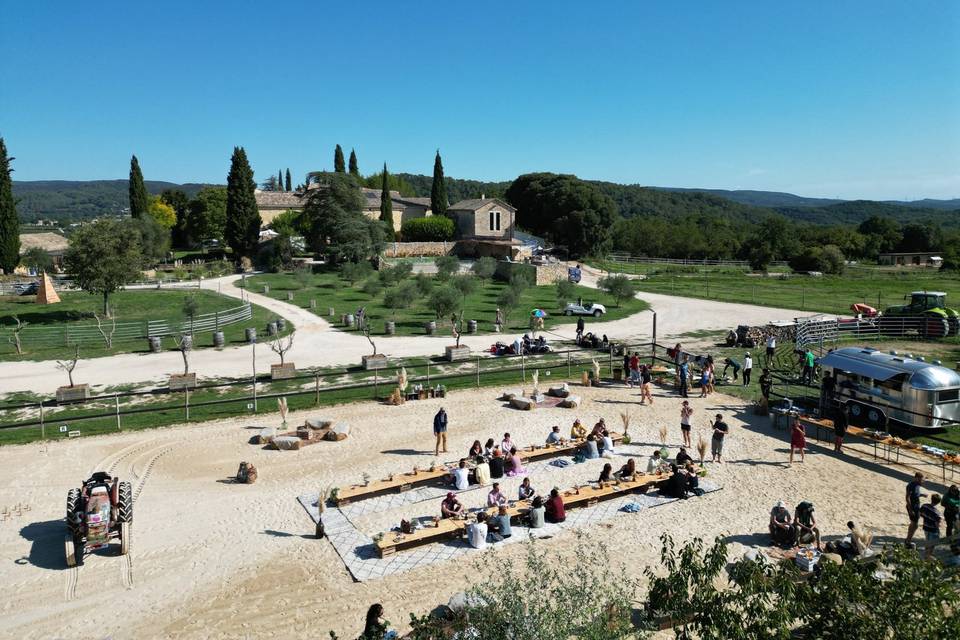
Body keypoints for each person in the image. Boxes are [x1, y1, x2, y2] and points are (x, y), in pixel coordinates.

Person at [920, 494, 943, 558]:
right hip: (933, 530)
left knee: (927, 541)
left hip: (925, 527)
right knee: (932, 544)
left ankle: (926, 554)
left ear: (931, 499)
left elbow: (921, 514)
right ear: (938, 502)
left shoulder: (924, 506)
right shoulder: (937, 513)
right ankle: (928, 556)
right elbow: (937, 524)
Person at [905, 472, 925, 546]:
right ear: (916, 478)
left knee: (913, 524)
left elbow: (915, 494)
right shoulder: (911, 485)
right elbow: (907, 498)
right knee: (915, 525)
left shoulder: (917, 485)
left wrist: (922, 495)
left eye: (922, 480)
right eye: (920, 479)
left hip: (916, 507)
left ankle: (908, 539)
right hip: (912, 507)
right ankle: (908, 541)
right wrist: (911, 510)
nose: (922, 481)